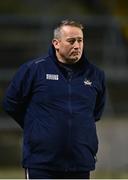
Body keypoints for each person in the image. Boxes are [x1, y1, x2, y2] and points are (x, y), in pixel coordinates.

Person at [2, 19, 106, 179]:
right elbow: (11, 103)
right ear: (56, 43)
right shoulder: (33, 70)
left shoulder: (96, 75)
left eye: (80, 40)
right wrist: (36, 125)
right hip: (41, 163)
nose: (77, 46)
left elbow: (95, 113)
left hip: (80, 163)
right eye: (71, 41)